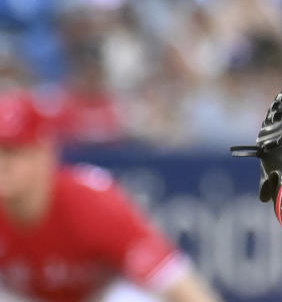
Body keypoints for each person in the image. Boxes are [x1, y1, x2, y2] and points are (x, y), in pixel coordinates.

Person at [0, 91, 221, 302]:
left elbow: (176, 281)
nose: (3, 163)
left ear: (44, 153)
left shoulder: (89, 204)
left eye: (13, 151)